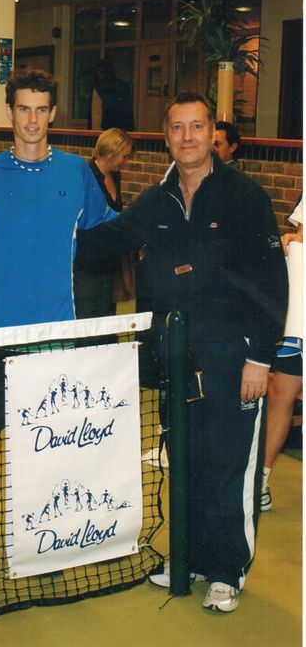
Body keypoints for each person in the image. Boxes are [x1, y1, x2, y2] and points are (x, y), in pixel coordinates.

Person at [76, 92, 288, 613]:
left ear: (212, 134)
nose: (187, 138)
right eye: (177, 128)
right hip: (176, 362)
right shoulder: (156, 200)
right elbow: (100, 241)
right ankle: (188, 557)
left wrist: (260, 358)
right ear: (166, 136)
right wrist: (42, 225)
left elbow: (271, 283)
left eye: (197, 127)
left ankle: (226, 570)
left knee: (230, 468)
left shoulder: (244, 197)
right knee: (186, 464)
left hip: (235, 362)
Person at [0, 68, 115, 581]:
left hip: (52, 341)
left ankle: (39, 535)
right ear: (8, 113)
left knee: (44, 445)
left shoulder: (76, 174)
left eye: (42, 109)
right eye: (24, 108)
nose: (33, 120)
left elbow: (110, 232)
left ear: (53, 114)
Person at [261, 195, 303, 510]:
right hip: (300, 320)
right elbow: (301, 235)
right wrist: (293, 239)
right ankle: (261, 482)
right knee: (280, 392)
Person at [73, 127, 133, 319]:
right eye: (124, 156)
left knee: (107, 316)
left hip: (109, 261)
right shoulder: (86, 175)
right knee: (88, 317)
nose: (126, 161)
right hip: (88, 263)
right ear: (112, 152)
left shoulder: (116, 176)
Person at [88, 59, 134, 132]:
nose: (99, 73)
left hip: (112, 130)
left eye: (101, 71)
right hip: (106, 130)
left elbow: (126, 110)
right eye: (98, 71)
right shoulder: (96, 86)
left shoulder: (119, 86)